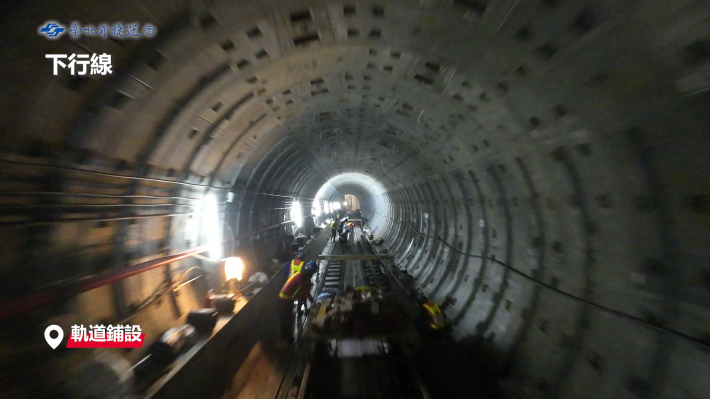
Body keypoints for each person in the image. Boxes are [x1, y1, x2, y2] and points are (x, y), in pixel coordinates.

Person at [278, 262, 317, 341]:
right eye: (312, 273)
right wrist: (313, 302)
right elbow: (306, 291)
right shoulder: (299, 278)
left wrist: (305, 303)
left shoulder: (299, 276)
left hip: (287, 299)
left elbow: (301, 292)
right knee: (287, 319)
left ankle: (286, 336)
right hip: (284, 300)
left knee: (288, 318)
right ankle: (286, 338)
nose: (311, 275)